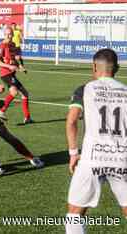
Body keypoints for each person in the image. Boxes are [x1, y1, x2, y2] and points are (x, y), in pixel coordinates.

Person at [65, 48, 127, 234]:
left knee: (75, 214)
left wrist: (73, 153)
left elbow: (71, 120)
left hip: (92, 158)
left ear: (93, 66)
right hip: (122, 158)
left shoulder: (85, 89)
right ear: (116, 68)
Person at [0, 26, 33, 124]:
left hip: (11, 74)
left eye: (10, 34)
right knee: (14, 92)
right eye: (6, 34)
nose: (8, 36)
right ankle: (1, 112)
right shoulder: (2, 45)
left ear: (12, 34)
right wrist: (9, 66)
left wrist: (20, 66)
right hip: (6, 74)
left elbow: (14, 58)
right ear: (4, 34)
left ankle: (27, 118)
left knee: (25, 94)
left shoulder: (12, 44)